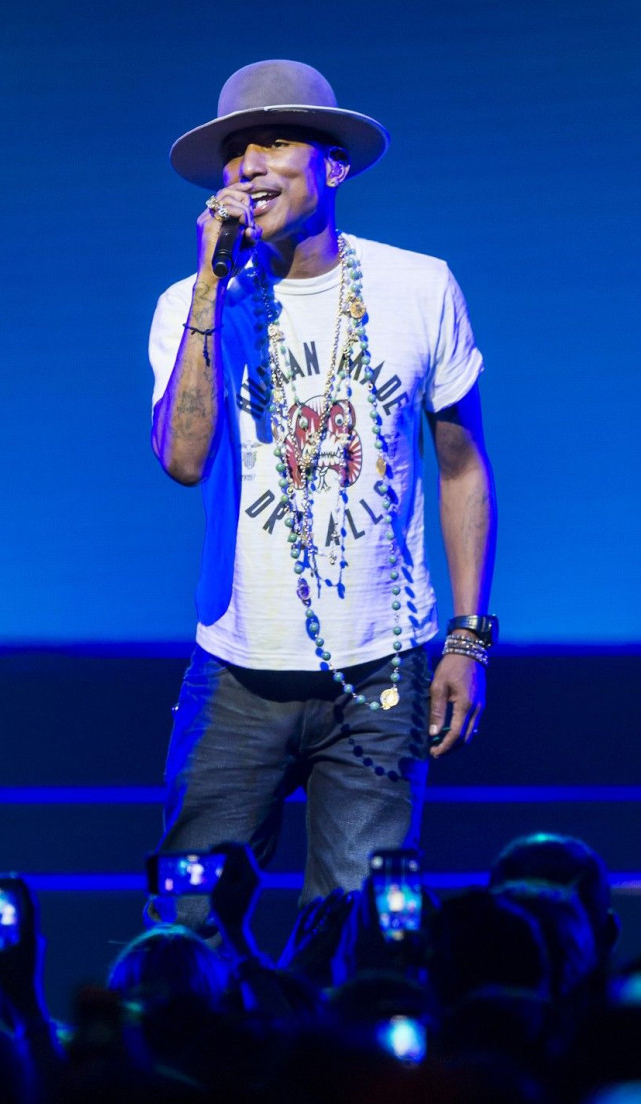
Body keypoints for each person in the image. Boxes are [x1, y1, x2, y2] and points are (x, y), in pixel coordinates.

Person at [148, 59, 497, 931]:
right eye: (235, 151)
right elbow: (184, 460)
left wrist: (468, 637)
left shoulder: (421, 288)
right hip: (236, 670)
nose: (250, 167)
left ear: (333, 165)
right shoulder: (190, 307)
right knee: (189, 925)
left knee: (361, 938)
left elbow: (462, 466)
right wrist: (206, 290)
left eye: (274, 142)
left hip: (383, 672)